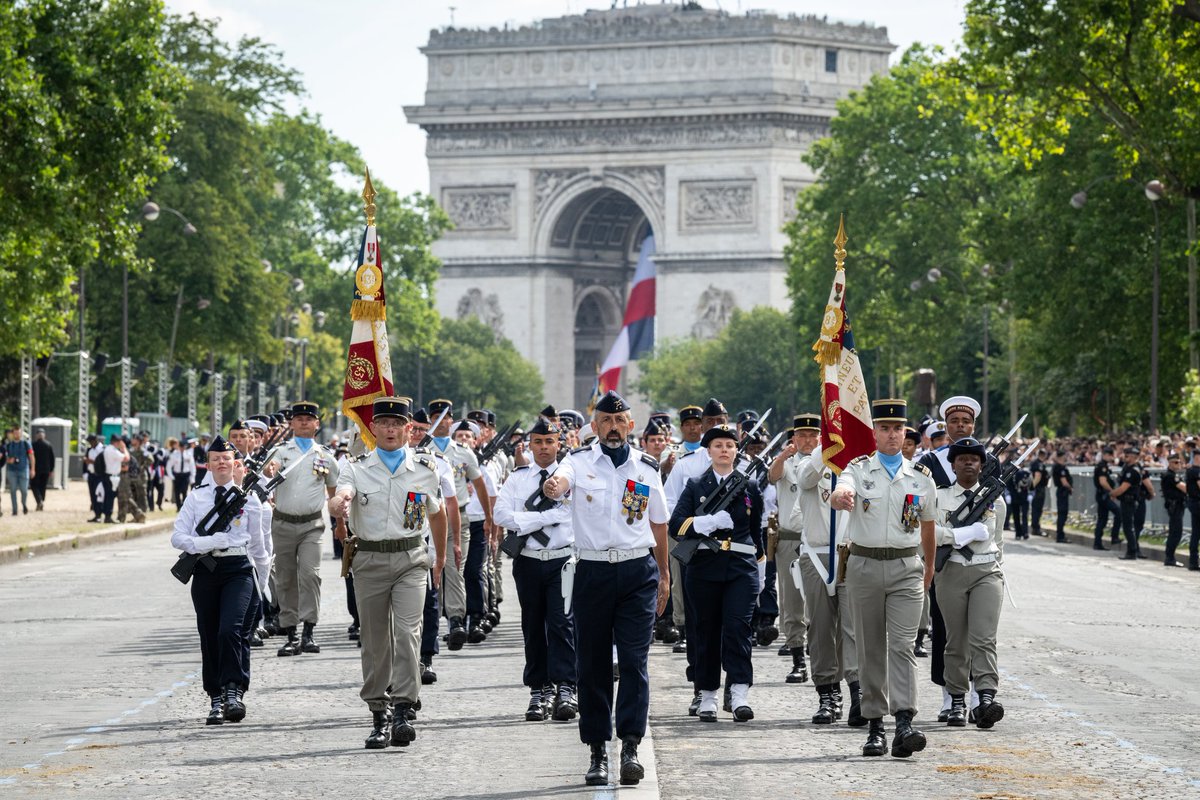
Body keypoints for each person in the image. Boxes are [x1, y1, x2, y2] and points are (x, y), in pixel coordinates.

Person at [542, 390, 670, 787]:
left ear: (630, 425)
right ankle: (598, 749)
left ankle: (630, 744)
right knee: (593, 665)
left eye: (620, 421)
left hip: (637, 573)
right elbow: (561, 480)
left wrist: (664, 575)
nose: (613, 428)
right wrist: (555, 485)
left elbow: (659, 524)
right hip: (592, 573)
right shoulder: (579, 462)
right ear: (593, 427)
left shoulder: (646, 468)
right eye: (605, 422)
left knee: (633, 661)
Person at [329, 397, 448, 750]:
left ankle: (402, 709)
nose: (391, 430)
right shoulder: (356, 466)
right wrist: (339, 505)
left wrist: (439, 558)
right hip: (370, 562)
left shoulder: (427, 468)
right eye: (384, 423)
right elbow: (341, 495)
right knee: (376, 639)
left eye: (398, 424)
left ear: (409, 429)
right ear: (373, 429)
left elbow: (437, 514)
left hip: (411, 559)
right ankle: (378, 713)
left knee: (408, 633)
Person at [830, 398, 936, 759]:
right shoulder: (858, 469)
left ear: (906, 433)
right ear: (874, 433)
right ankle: (875, 724)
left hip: (907, 568)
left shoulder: (921, 478)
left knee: (903, 646)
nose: (892, 435)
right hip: (864, 566)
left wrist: (930, 567)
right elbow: (840, 491)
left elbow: (928, 526)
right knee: (871, 646)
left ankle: (904, 720)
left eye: (898, 429)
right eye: (885, 429)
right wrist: (840, 496)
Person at [170, 435, 268, 725]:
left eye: (227, 459)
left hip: (238, 568)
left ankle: (234, 691)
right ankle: (215, 697)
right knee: (209, 634)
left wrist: (262, 588)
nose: (222, 463)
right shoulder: (196, 496)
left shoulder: (248, 498)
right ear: (208, 464)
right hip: (206, 569)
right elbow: (178, 537)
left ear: (235, 463)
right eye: (216, 459)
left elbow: (260, 548)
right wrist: (208, 541)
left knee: (231, 630)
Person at [669, 423, 763, 722]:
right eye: (718, 445)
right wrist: (704, 522)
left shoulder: (748, 486)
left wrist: (759, 566)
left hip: (740, 567)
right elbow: (676, 525)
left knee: (738, 629)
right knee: (705, 631)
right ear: (708, 451)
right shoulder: (696, 485)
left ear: (737, 450)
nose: (724, 450)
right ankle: (707, 693)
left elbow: (756, 529)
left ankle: (738, 693)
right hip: (704, 567)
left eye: (730, 445)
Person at [493, 412, 578, 722]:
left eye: (549, 441)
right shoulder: (518, 478)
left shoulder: (571, 478)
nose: (544, 447)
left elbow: (573, 517)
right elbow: (502, 515)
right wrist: (543, 518)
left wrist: (529, 520)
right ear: (529, 444)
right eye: (538, 441)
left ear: (559, 444)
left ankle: (566, 687)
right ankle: (538, 690)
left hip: (562, 561)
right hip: (528, 561)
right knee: (532, 626)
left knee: (562, 624)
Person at [790, 419, 865, 727]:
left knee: (852, 629)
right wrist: (826, 447)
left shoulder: (858, 467)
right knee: (821, 628)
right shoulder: (810, 464)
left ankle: (858, 693)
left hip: (851, 553)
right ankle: (827, 694)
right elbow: (807, 478)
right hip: (817, 555)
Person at [931, 437, 1006, 729]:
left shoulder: (994, 499)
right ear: (952, 464)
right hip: (951, 571)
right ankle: (957, 699)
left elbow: (995, 539)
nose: (968, 462)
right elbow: (929, 533)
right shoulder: (938, 497)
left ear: (982, 464)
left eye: (974, 458)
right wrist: (958, 536)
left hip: (986, 571)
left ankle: (986, 697)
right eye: (962, 458)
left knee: (984, 637)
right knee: (956, 640)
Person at [268, 401, 340, 657]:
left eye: (309, 419)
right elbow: (269, 470)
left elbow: (335, 494)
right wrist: (270, 469)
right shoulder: (280, 451)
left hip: (312, 525)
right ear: (291, 423)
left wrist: (340, 524)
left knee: (310, 574)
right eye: (298, 419)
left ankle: (309, 630)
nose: (304, 423)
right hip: (283, 523)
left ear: (317, 424)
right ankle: (290, 633)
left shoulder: (325, 456)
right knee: (286, 578)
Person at [425, 399, 491, 650]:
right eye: (436, 418)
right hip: (426, 517)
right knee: (427, 569)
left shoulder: (464, 452)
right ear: (431, 421)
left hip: (457, 517)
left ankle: (455, 621)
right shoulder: (420, 450)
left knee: (453, 567)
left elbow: (481, 484)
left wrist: (488, 517)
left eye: (446, 418)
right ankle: (431, 621)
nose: (441, 422)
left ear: (452, 422)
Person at [767, 414, 815, 684]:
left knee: (819, 602)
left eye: (812, 435)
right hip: (790, 539)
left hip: (818, 541)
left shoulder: (825, 463)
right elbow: (773, 476)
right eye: (802, 436)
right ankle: (798, 659)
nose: (807, 440)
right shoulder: (787, 463)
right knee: (792, 602)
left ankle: (819, 654)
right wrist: (782, 457)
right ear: (794, 438)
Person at [1111, 446, 1155, 560]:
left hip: (1131, 499)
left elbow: (1124, 487)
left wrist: (1112, 494)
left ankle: (1132, 551)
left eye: (1126, 455)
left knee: (1131, 527)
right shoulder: (1127, 468)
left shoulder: (1134, 470)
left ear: (1133, 457)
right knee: (1130, 526)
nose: (1124, 457)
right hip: (1128, 499)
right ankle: (1134, 550)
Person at [1161, 453, 1188, 567]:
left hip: (1176, 505)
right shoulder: (1171, 475)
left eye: (1179, 462)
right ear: (1170, 463)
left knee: (1175, 532)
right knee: (1176, 532)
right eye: (1176, 462)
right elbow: (1184, 488)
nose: (1178, 464)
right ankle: (1170, 557)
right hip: (1175, 506)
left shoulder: (1172, 475)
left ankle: (1170, 557)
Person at [1092, 447, 1120, 550]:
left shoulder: (1103, 466)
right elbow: (1103, 482)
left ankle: (1097, 542)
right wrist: (1112, 492)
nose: (1112, 458)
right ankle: (1114, 536)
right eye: (1111, 455)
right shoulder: (1102, 466)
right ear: (1107, 455)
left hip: (1102, 495)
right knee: (1118, 512)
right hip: (1103, 495)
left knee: (1102, 519)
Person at [4, 427, 34, 516]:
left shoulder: (26, 444)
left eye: (19, 433)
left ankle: (24, 504)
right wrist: (9, 460)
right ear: (13, 434)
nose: (17, 435)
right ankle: (15, 509)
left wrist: (32, 469)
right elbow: (4, 457)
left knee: (24, 490)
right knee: (12, 490)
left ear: (21, 433)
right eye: (15, 433)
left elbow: (32, 456)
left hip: (23, 470)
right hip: (11, 471)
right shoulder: (8, 445)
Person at [167, 437, 196, 511]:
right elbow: (169, 466)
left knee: (184, 491)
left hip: (185, 475)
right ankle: (178, 506)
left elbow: (192, 466)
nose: (183, 448)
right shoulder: (174, 454)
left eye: (184, 447)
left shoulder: (188, 454)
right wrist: (171, 476)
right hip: (177, 475)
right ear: (179, 447)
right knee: (177, 492)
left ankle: (184, 506)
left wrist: (192, 477)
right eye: (181, 447)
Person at [1051, 450, 1073, 543]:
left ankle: (1060, 535)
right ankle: (1060, 536)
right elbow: (1064, 482)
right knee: (1062, 514)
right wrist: (1070, 488)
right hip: (1062, 492)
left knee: (1062, 514)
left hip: (1061, 492)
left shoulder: (1057, 466)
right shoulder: (1060, 467)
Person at [30, 429, 54, 512]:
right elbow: (52, 459)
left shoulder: (33, 445)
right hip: (46, 470)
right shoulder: (48, 445)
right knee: (43, 487)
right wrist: (51, 469)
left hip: (36, 469)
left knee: (34, 485)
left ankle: (39, 501)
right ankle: (41, 501)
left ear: (36, 436)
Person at [1029, 450, 1048, 536]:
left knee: (1036, 509)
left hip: (1038, 489)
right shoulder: (1038, 464)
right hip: (1039, 489)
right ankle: (1036, 528)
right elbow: (1038, 476)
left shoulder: (1036, 463)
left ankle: (1035, 527)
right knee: (1037, 509)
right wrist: (1032, 487)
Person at [1186, 450, 1200, 572]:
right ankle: (1194, 561)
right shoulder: (1196, 471)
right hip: (1198, 502)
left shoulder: (1190, 471)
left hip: (1193, 502)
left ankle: (1193, 561)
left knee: (1196, 533)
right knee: (1196, 533)